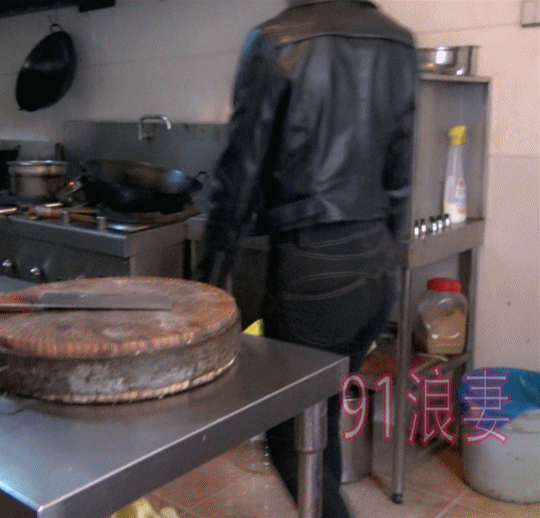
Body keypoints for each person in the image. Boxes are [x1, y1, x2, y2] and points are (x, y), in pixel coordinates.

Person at [195, 1, 418, 517]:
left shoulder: (276, 39)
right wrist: (393, 258)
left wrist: (208, 281)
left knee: (291, 433)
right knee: (321, 417)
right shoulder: (398, 41)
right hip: (375, 267)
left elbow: (240, 170)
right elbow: (402, 173)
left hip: (313, 266)